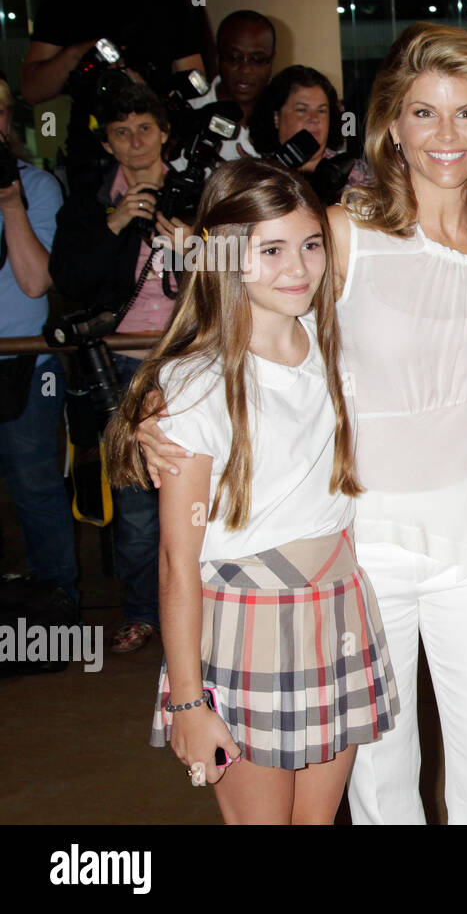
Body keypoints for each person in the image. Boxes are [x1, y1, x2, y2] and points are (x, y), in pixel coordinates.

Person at [138, 22, 467, 824]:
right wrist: (169, 395)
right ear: (392, 124)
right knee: (382, 782)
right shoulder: (345, 233)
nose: (446, 134)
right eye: (424, 112)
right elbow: (235, 264)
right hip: (360, 546)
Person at [104, 158, 398, 824]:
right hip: (244, 620)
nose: (297, 267)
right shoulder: (195, 383)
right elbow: (180, 560)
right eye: (270, 250)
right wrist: (186, 700)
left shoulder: (336, 347)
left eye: (310, 244)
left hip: (337, 608)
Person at [49, 81, 188, 654]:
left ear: (165, 134)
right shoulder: (87, 203)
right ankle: (141, 612)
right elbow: (70, 280)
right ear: (106, 143)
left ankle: (202, 607)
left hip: (188, 362)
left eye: (145, 128)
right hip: (123, 366)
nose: (135, 141)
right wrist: (113, 225)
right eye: (121, 132)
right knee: (135, 502)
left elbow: (240, 273)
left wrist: (194, 248)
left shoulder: (196, 189)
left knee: (199, 491)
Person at [22, 0, 204, 194]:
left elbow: (197, 91)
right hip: (92, 161)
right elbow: (32, 89)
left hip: (157, 157)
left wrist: (150, 96)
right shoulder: (64, 0)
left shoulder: (171, 6)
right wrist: (81, 54)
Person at [0, 76, 77, 603]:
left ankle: (58, 609)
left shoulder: (38, 188)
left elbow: (34, 283)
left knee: (35, 489)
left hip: (25, 362)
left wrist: (10, 202)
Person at [250, 65, 361, 206]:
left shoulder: (356, 176)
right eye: (302, 110)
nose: (314, 118)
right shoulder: (258, 177)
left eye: (322, 111)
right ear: (276, 117)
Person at [186, 10, 277, 160]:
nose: (245, 69)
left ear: (272, 59)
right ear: (218, 56)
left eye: (258, 59)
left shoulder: (287, 113)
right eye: (234, 58)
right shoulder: (190, 113)